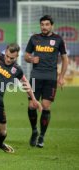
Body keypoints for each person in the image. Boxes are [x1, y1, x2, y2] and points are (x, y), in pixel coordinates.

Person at [24, 15, 68, 148]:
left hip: (50, 78)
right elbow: (26, 56)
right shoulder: (34, 39)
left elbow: (65, 59)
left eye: (47, 24)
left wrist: (61, 77)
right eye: (42, 24)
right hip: (36, 77)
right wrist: (31, 59)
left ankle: (41, 136)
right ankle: (34, 131)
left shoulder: (58, 40)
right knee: (32, 105)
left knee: (45, 106)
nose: (44, 27)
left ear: (52, 25)